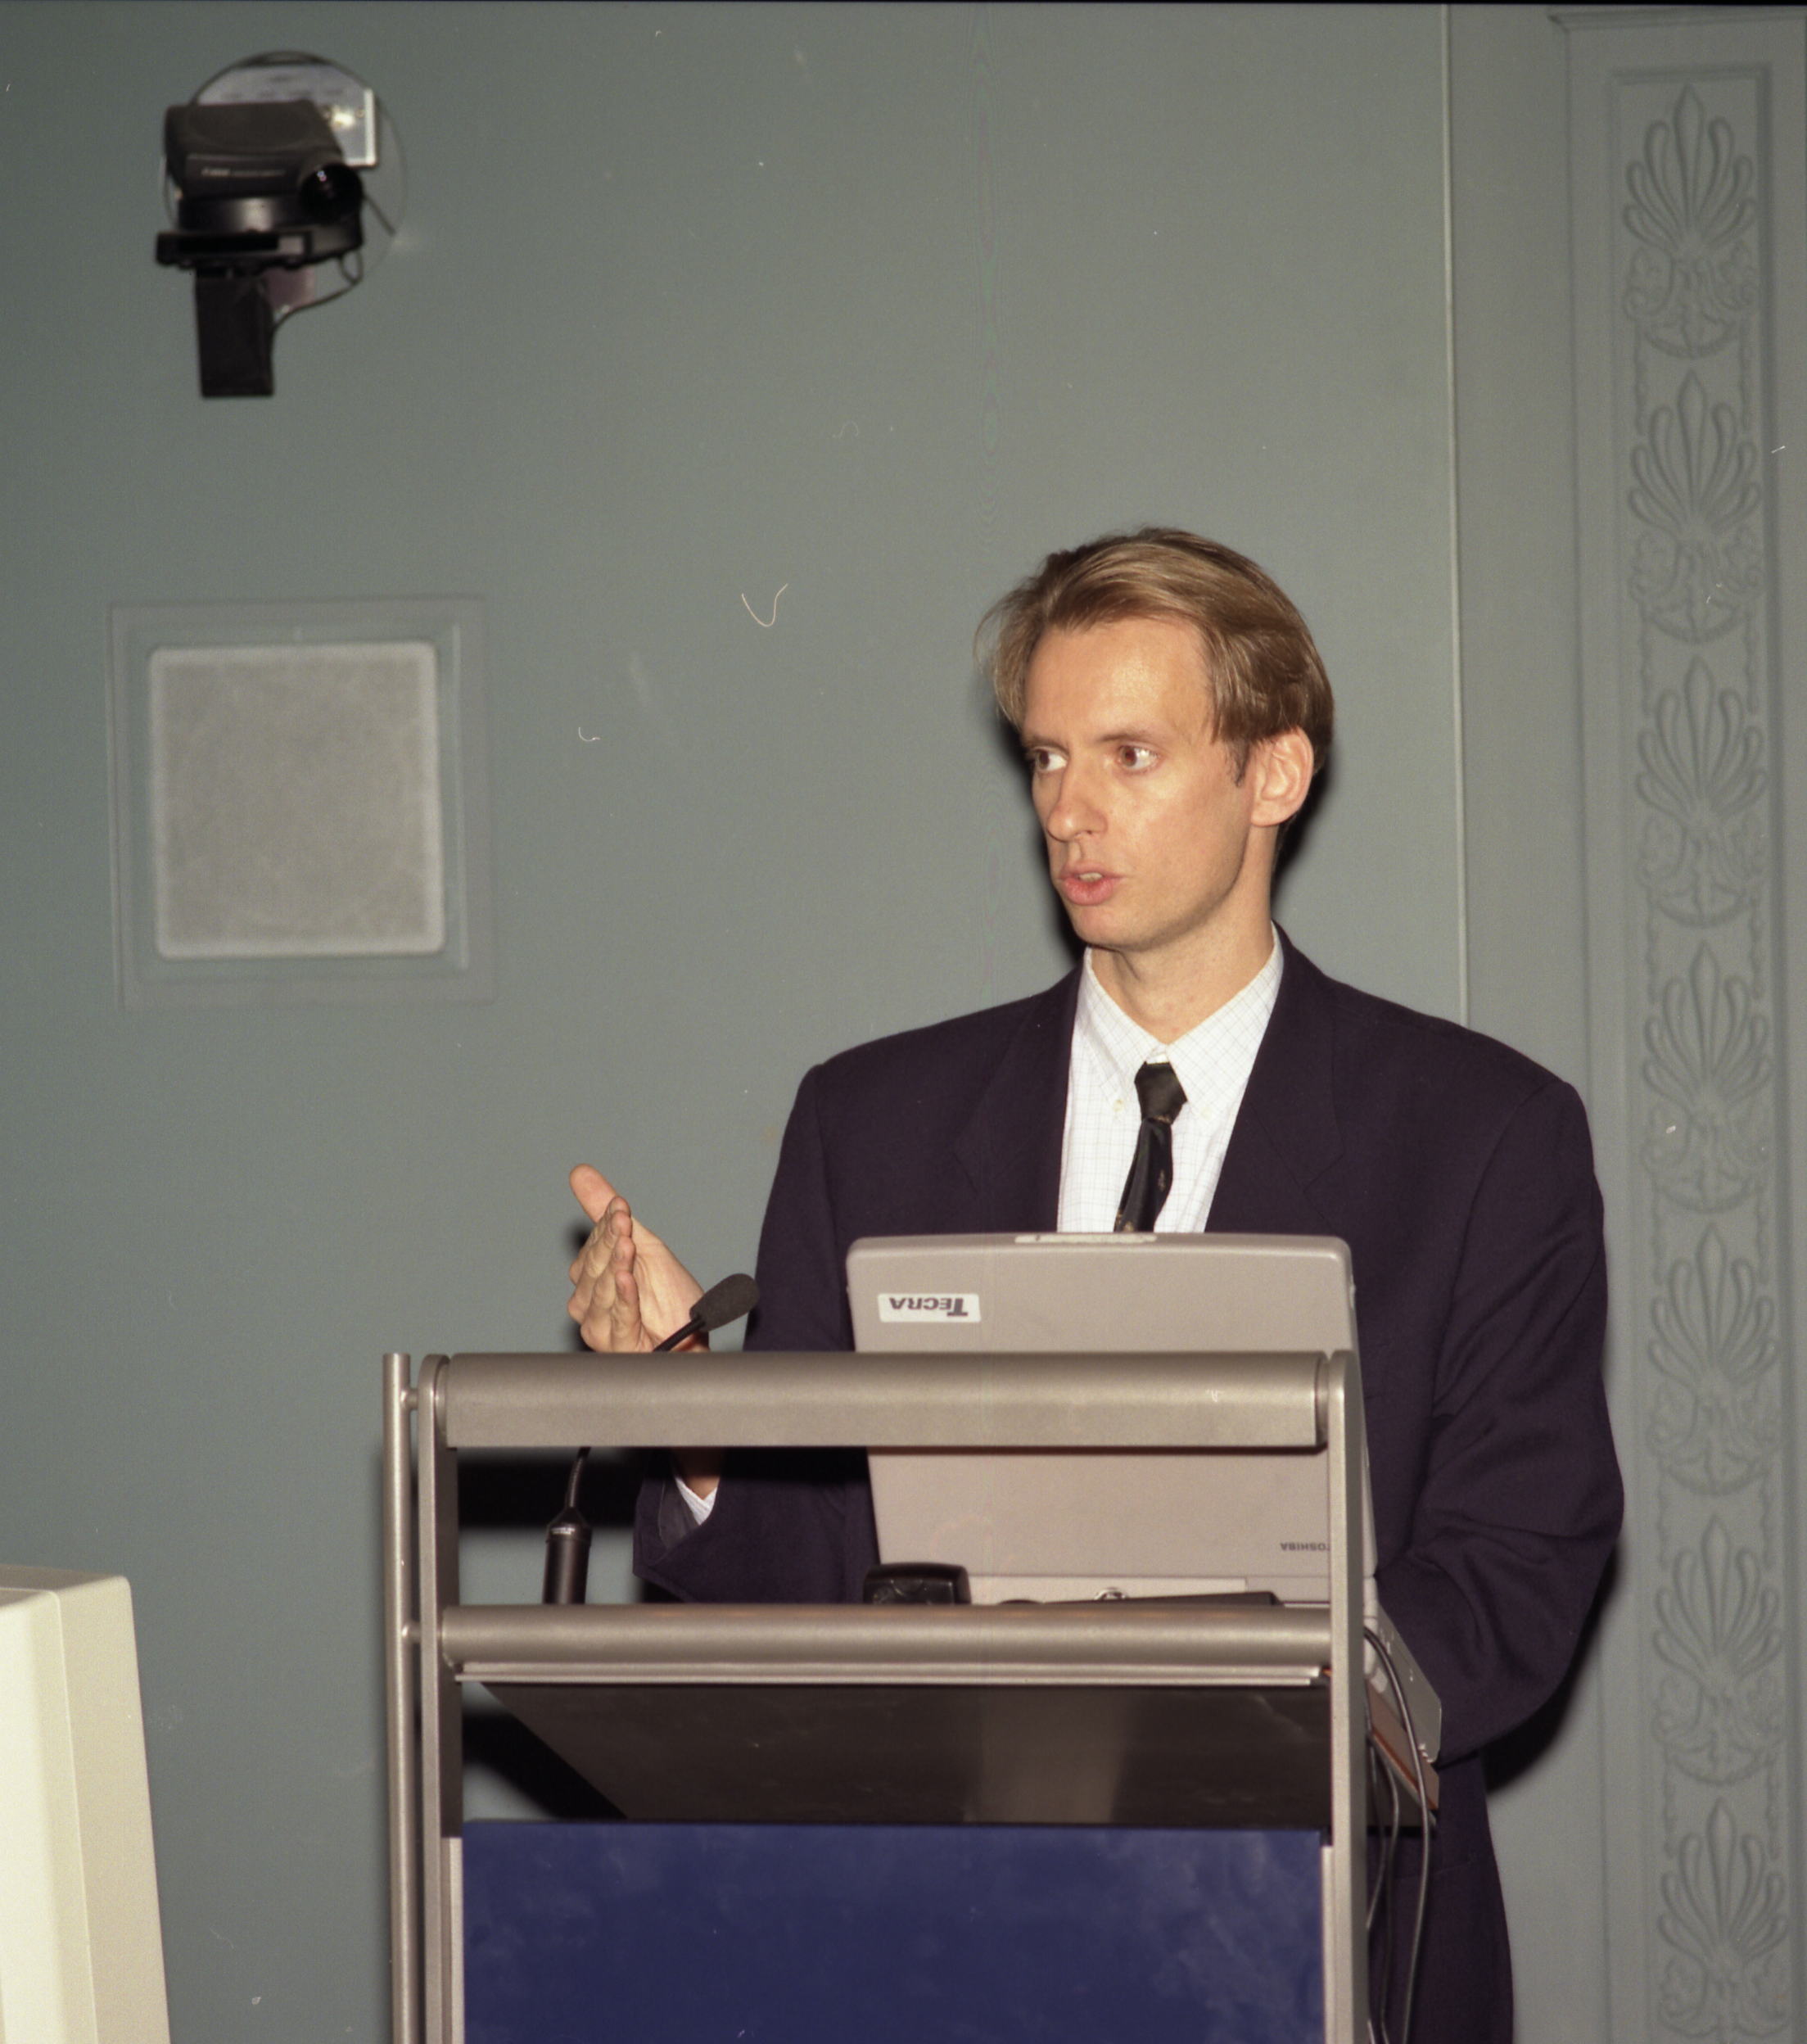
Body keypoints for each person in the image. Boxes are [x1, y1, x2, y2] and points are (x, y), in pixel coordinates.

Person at [566, 528, 1621, 2042]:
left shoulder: (1480, 1135)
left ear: (1274, 773)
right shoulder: (874, 1122)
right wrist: (692, 1407)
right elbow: (815, 1571)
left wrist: (1223, 1717)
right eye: (1048, 757)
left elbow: (1523, 1562)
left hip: (1320, 1923)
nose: (1069, 808)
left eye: (1130, 754)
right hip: (940, 1937)